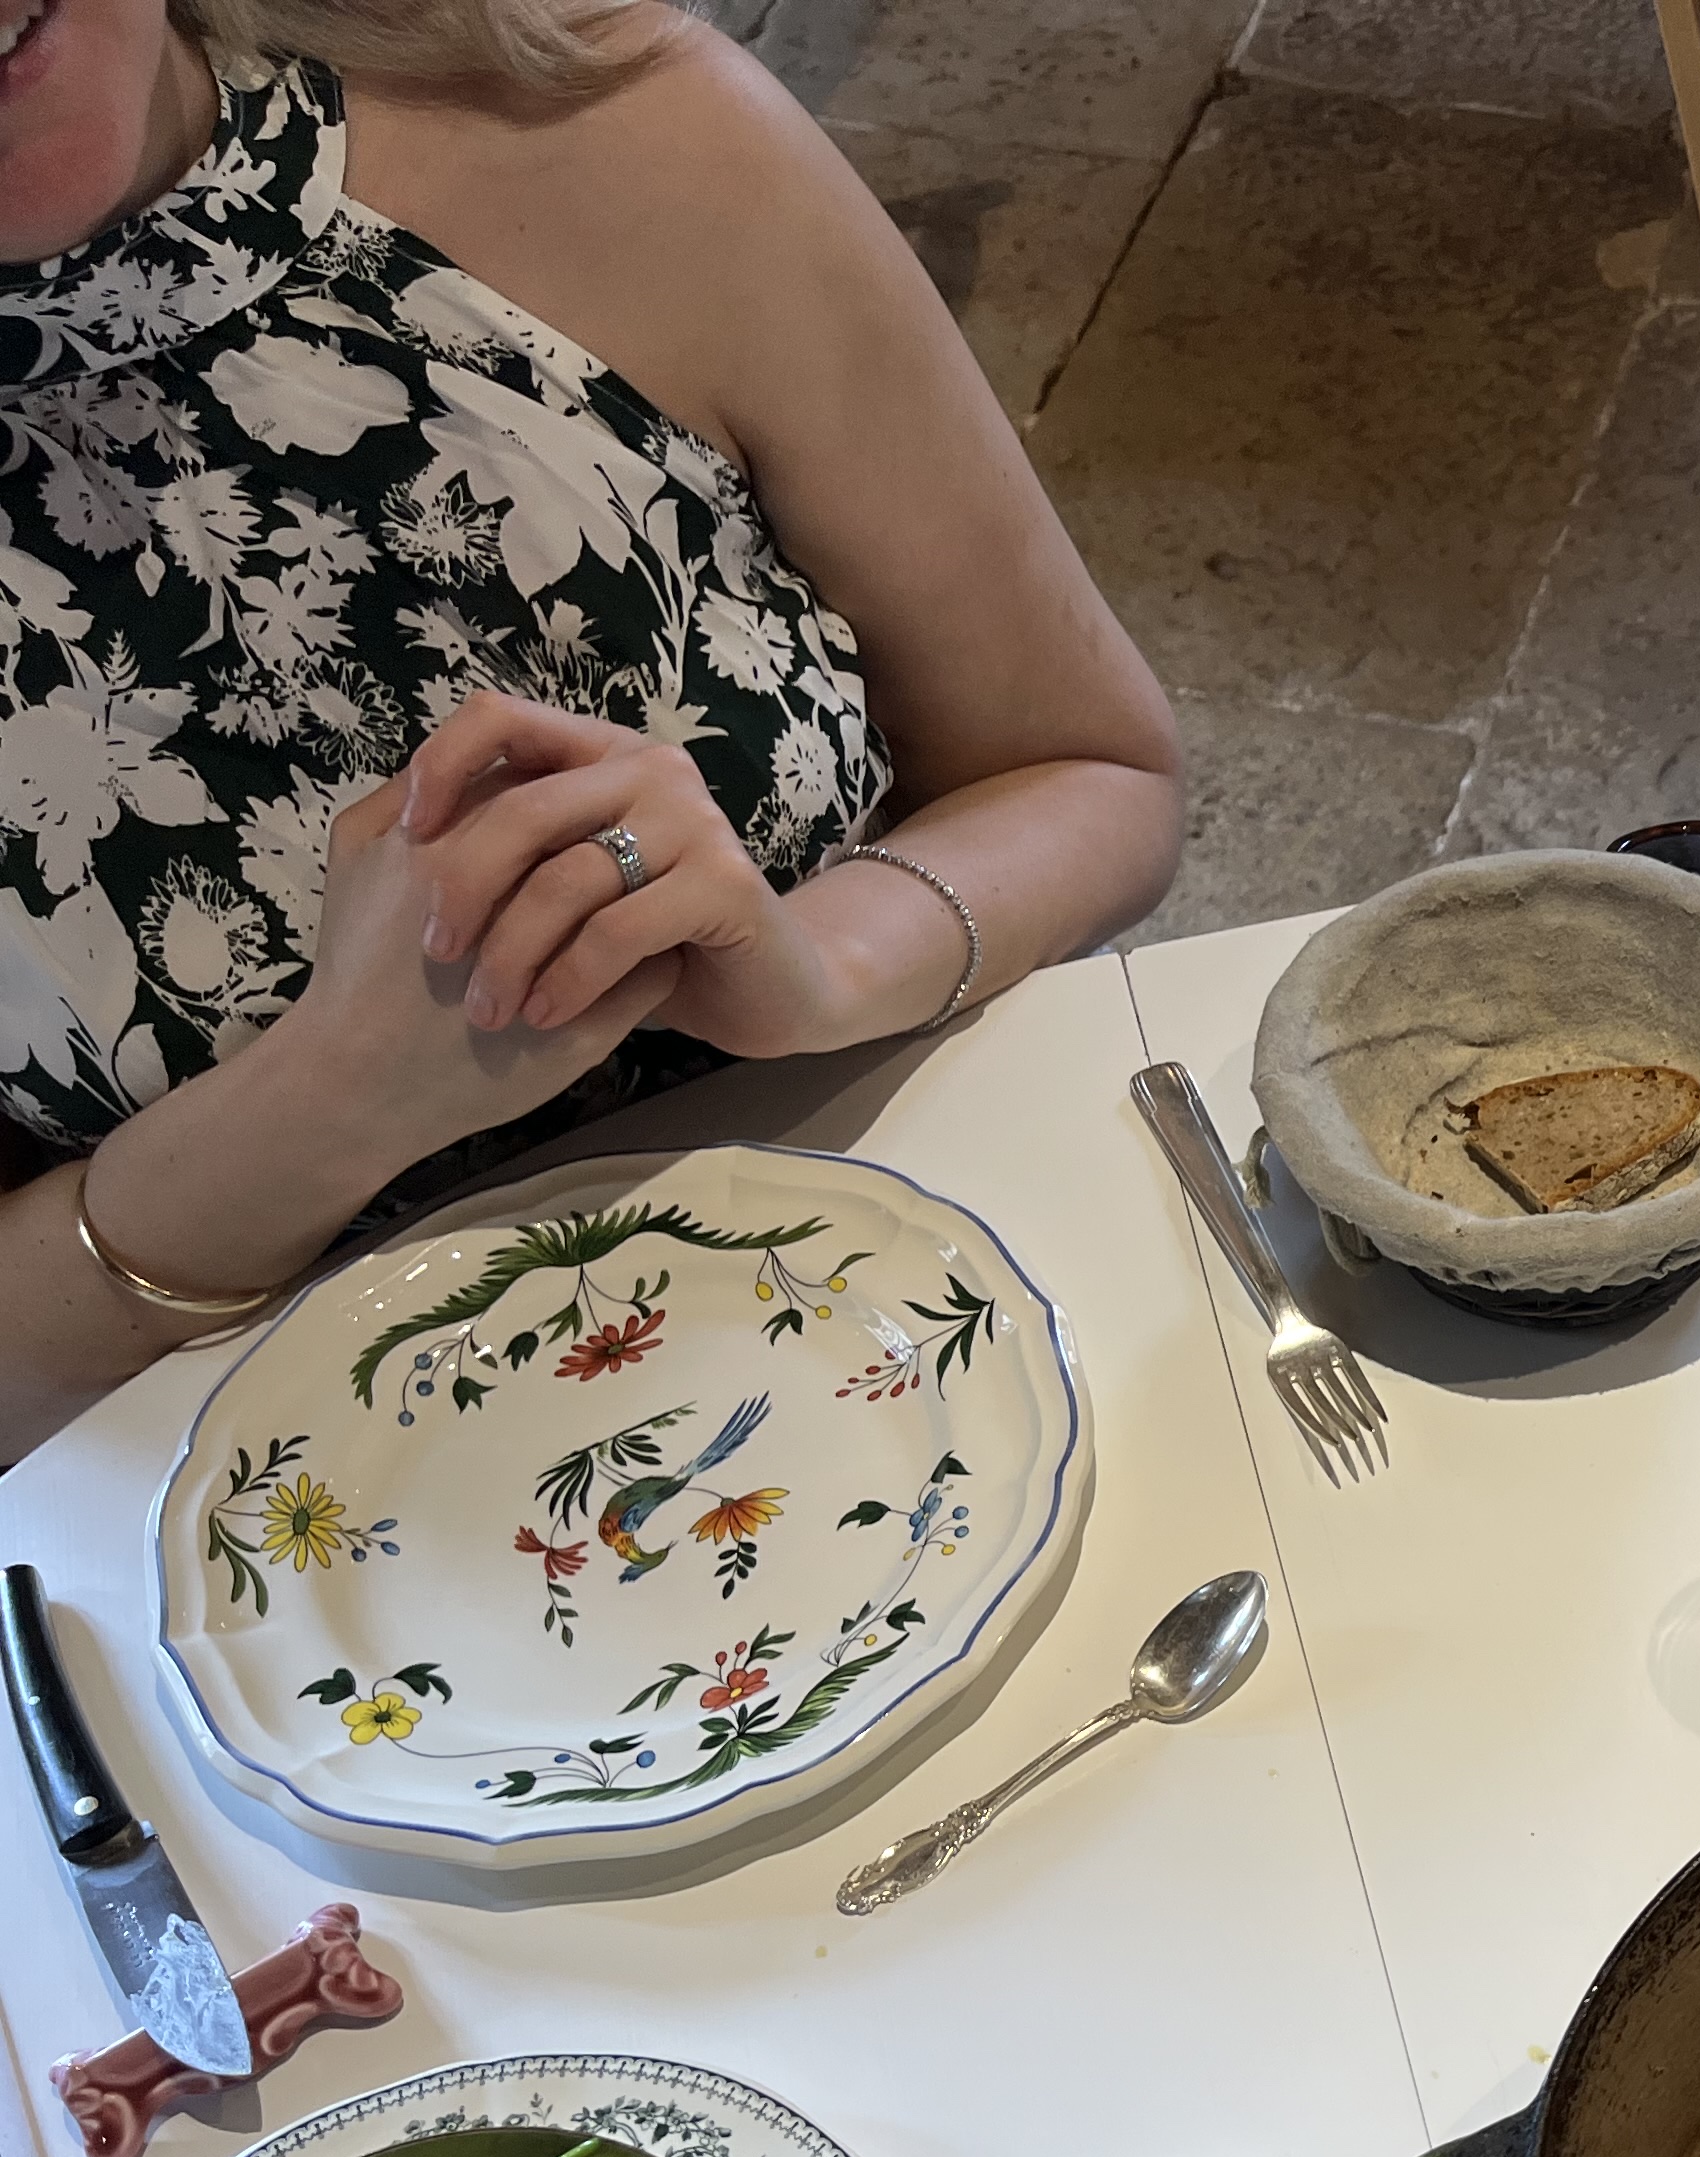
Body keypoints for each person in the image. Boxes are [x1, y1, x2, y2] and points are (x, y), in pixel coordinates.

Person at [0, 0, 1183, 1457]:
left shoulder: (592, 112)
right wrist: (324, 1107)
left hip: (956, 1353)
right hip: (314, 1539)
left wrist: (823, 967)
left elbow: (1093, 769)